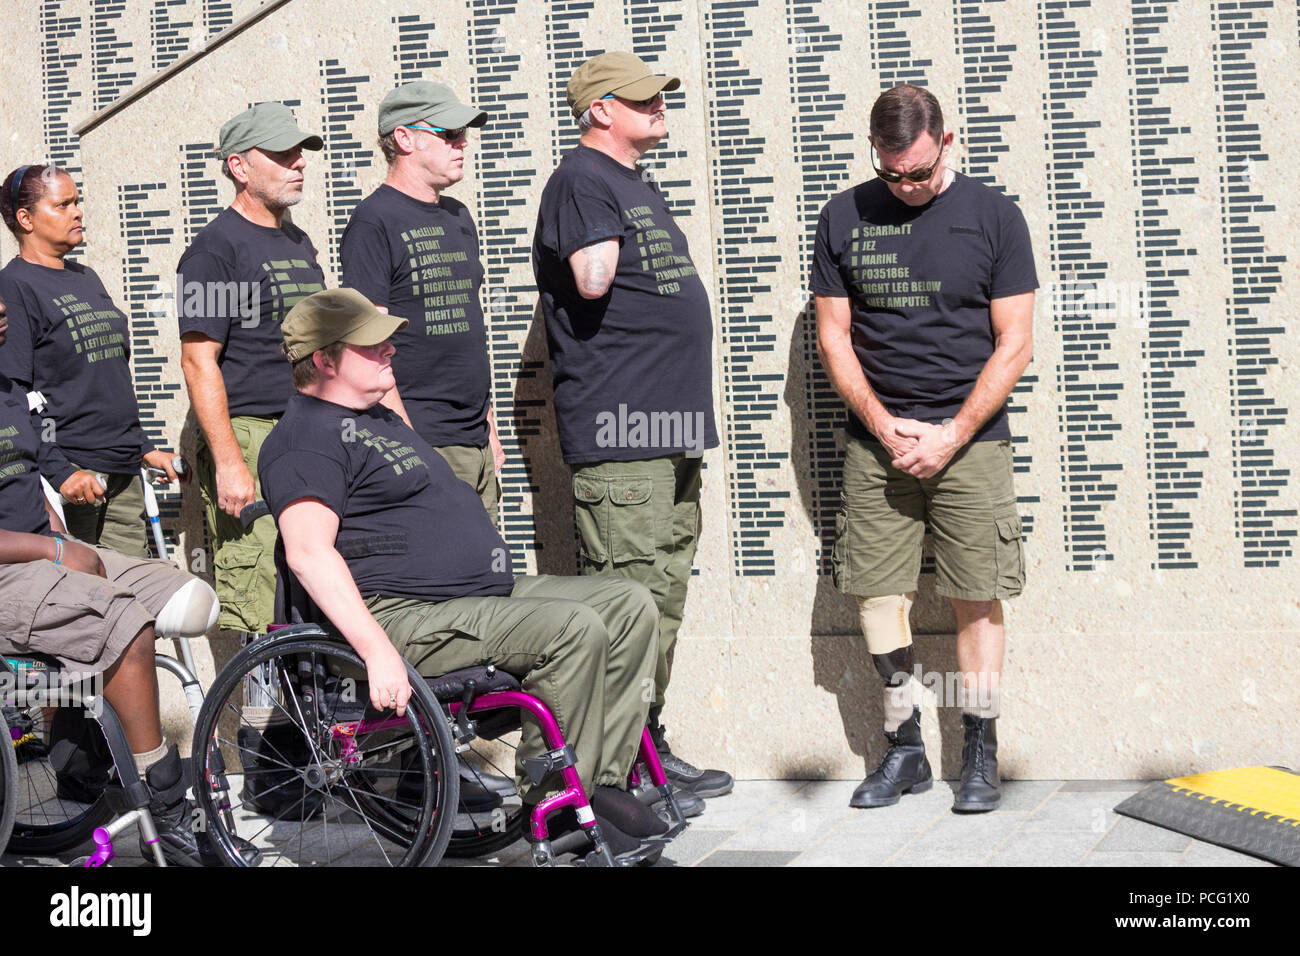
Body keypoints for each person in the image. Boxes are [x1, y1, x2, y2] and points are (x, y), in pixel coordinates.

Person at [257, 287, 670, 858]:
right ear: (325, 361)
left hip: (473, 597)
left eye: (387, 341)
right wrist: (377, 651)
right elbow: (308, 553)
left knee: (630, 604)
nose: (390, 350)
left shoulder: (375, 418)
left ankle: (598, 784)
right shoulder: (304, 440)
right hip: (400, 616)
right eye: (370, 345)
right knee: (572, 629)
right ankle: (554, 808)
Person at [812, 84, 1037, 812]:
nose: (905, 187)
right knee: (879, 595)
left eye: (918, 172)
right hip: (878, 445)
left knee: (977, 596)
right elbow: (834, 335)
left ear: (948, 140)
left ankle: (979, 749)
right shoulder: (843, 215)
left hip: (970, 443)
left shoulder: (995, 217)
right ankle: (903, 748)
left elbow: (1015, 343)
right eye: (891, 174)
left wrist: (951, 434)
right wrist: (883, 426)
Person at [531, 52, 730, 801]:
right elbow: (591, 280)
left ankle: (647, 745)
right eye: (641, 100)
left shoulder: (626, 183)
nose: (658, 108)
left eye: (659, 97)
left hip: (667, 435)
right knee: (630, 605)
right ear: (600, 111)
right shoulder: (583, 180)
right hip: (623, 441)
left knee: (662, 603)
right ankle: (607, 777)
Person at [0, 291, 236, 866]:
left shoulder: (7, 388)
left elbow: (30, 470)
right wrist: (51, 548)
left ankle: (102, 764)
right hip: (8, 571)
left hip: (40, 552)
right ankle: (163, 787)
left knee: (187, 597)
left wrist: (57, 527)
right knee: (122, 617)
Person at [177, 102, 327, 635]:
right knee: (260, 593)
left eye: (300, 153)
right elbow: (198, 361)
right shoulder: (213, 250)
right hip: (251, 435)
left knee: (315, 582)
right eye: (282, 154)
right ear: (239, 166)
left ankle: (315, 715)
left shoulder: (298, 241)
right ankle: (256, 718)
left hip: (308, 430)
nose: (298, 163)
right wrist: (229, 461)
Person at [340, 80, 505, 523]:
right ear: (404, 138)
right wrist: (408, 444)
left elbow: (468, 328)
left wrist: (488, 426)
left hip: (473, 438)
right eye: (449, 134)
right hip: (424, 437)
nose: (462, 143)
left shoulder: (458, 216)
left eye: (463, 134)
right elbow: (367, 344)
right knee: (443, 583)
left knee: (485, 579)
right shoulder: (373, 221)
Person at [0, 164, 183, 555]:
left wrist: (142, 447)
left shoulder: (87, 277)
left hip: (121, 474)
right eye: (63, 204)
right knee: (87, 604)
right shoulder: (13, 287)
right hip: (71, 482)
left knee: (133, 596)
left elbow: (108, 378)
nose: (77, 212)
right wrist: (60, 471)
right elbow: (14, 395)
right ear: (25, 218)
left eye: (77, 202)